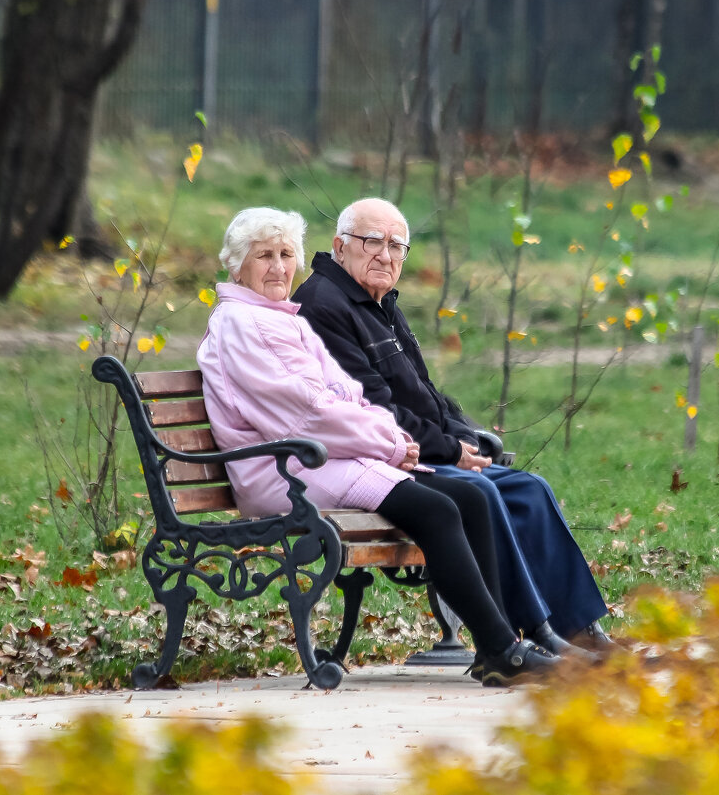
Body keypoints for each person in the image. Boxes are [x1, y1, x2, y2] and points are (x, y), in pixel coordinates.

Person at [196, 206, 561, 686]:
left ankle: (498, 647)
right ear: (237, 265)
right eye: (264, 256)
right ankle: (501, 649)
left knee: (469, 497)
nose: (279, 267)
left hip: (318, 460)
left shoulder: (283, 320)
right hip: (282, 473)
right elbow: (307, 413)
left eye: (287, 254)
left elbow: (345, 393)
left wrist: (390, 437)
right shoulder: (241, 324)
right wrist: (390, 444)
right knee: (436, 511)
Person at [292, 197, 613, 651]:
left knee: (530, 488)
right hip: (378, 459)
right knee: (481, 492)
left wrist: (463, 435)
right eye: (372, 242)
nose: (385, 254)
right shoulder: (324, 306)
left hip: (426, 448)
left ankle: (580, 629)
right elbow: (372, 409)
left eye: (396, 245)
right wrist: (448, 450)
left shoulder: (378, 302)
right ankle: (526, 634)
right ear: (340, 246)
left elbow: (424, 392)